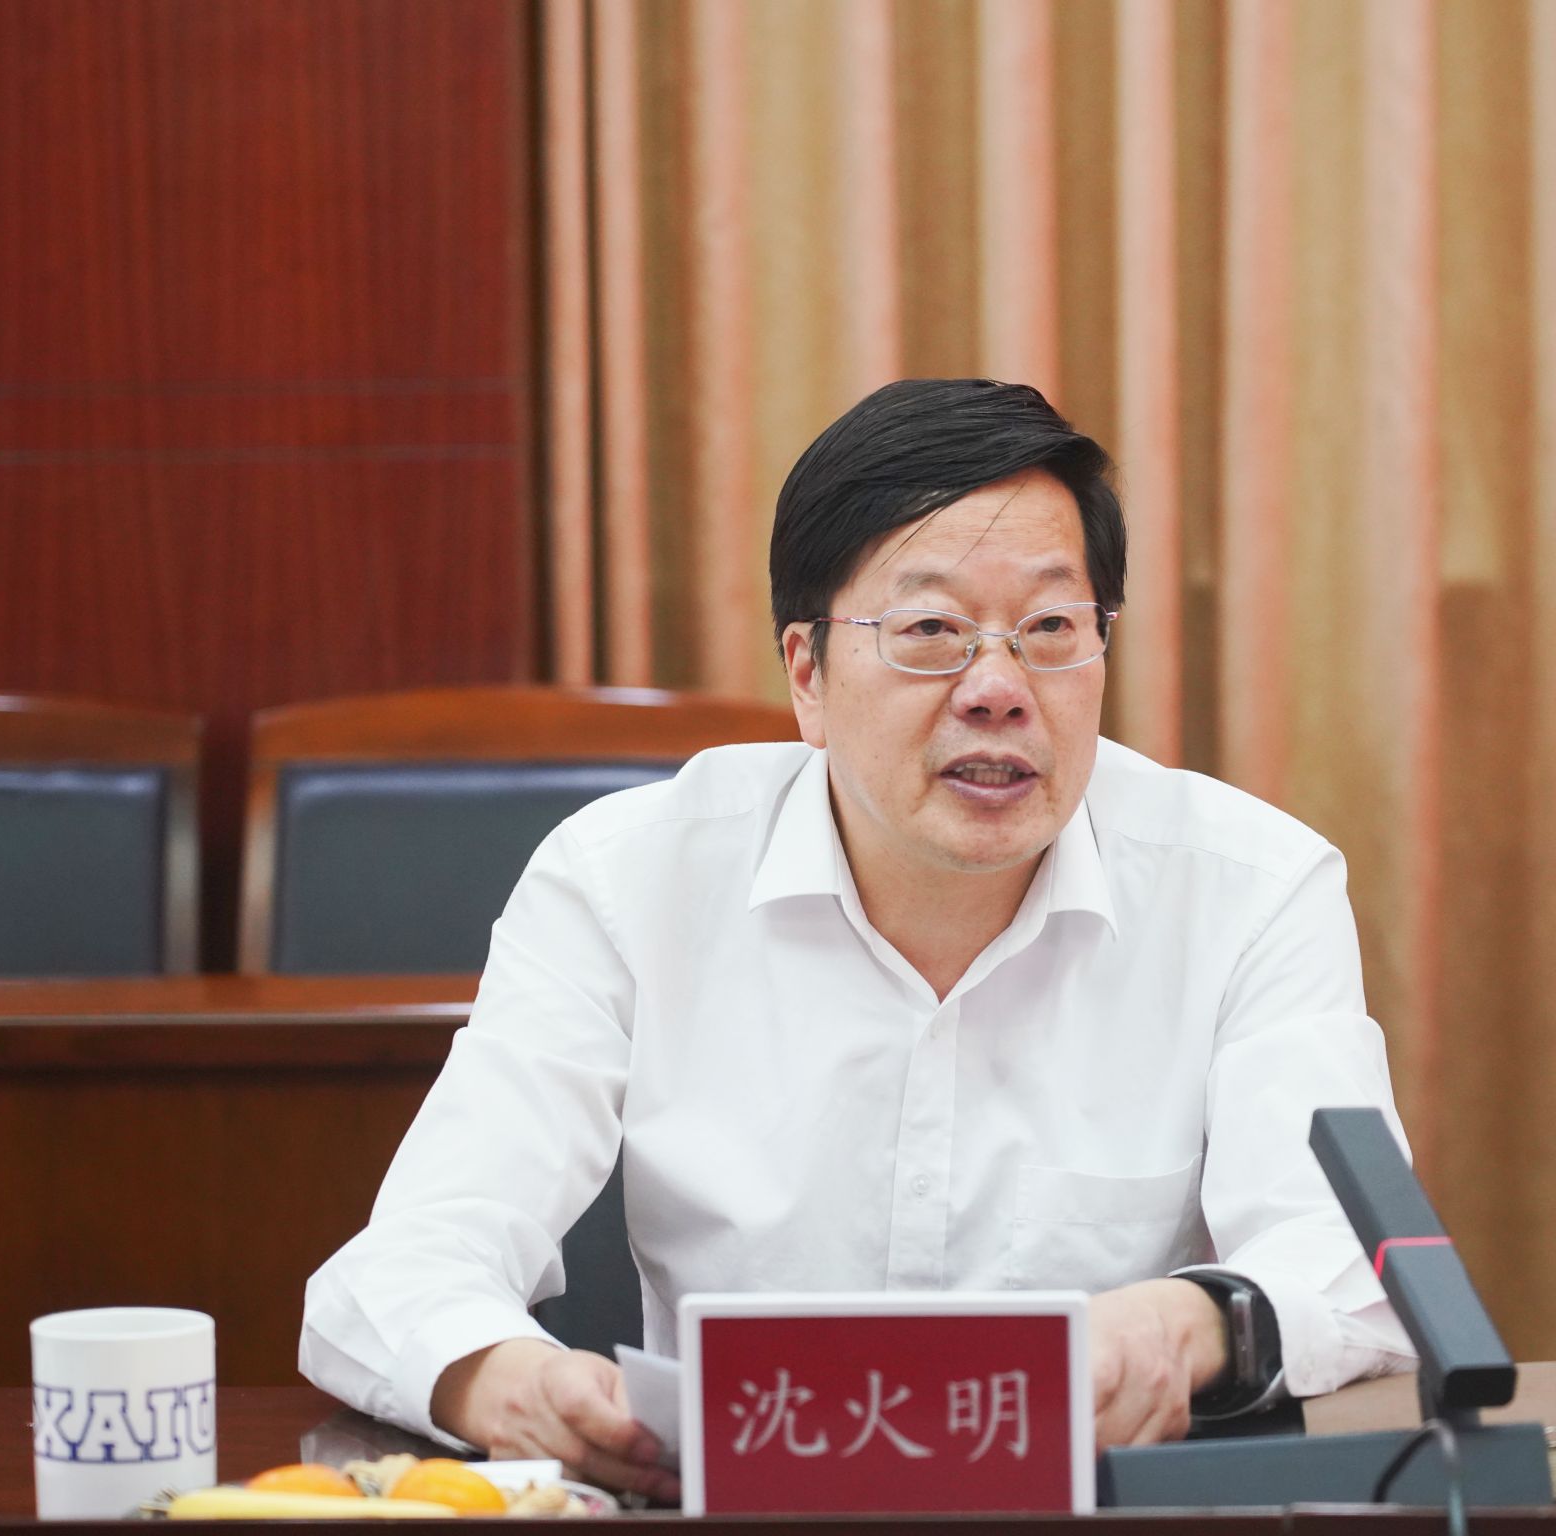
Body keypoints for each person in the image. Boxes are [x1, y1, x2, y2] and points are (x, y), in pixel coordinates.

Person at [300, 378, 1414, 1503]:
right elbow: (403, 1268)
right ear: (807, 676)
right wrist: (511, 1384)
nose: (997, 689)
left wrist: (1189, 1325)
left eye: (1050, 631)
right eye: (930, 632)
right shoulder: (625, 881)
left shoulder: (1251, 891)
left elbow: (1356, 1272)